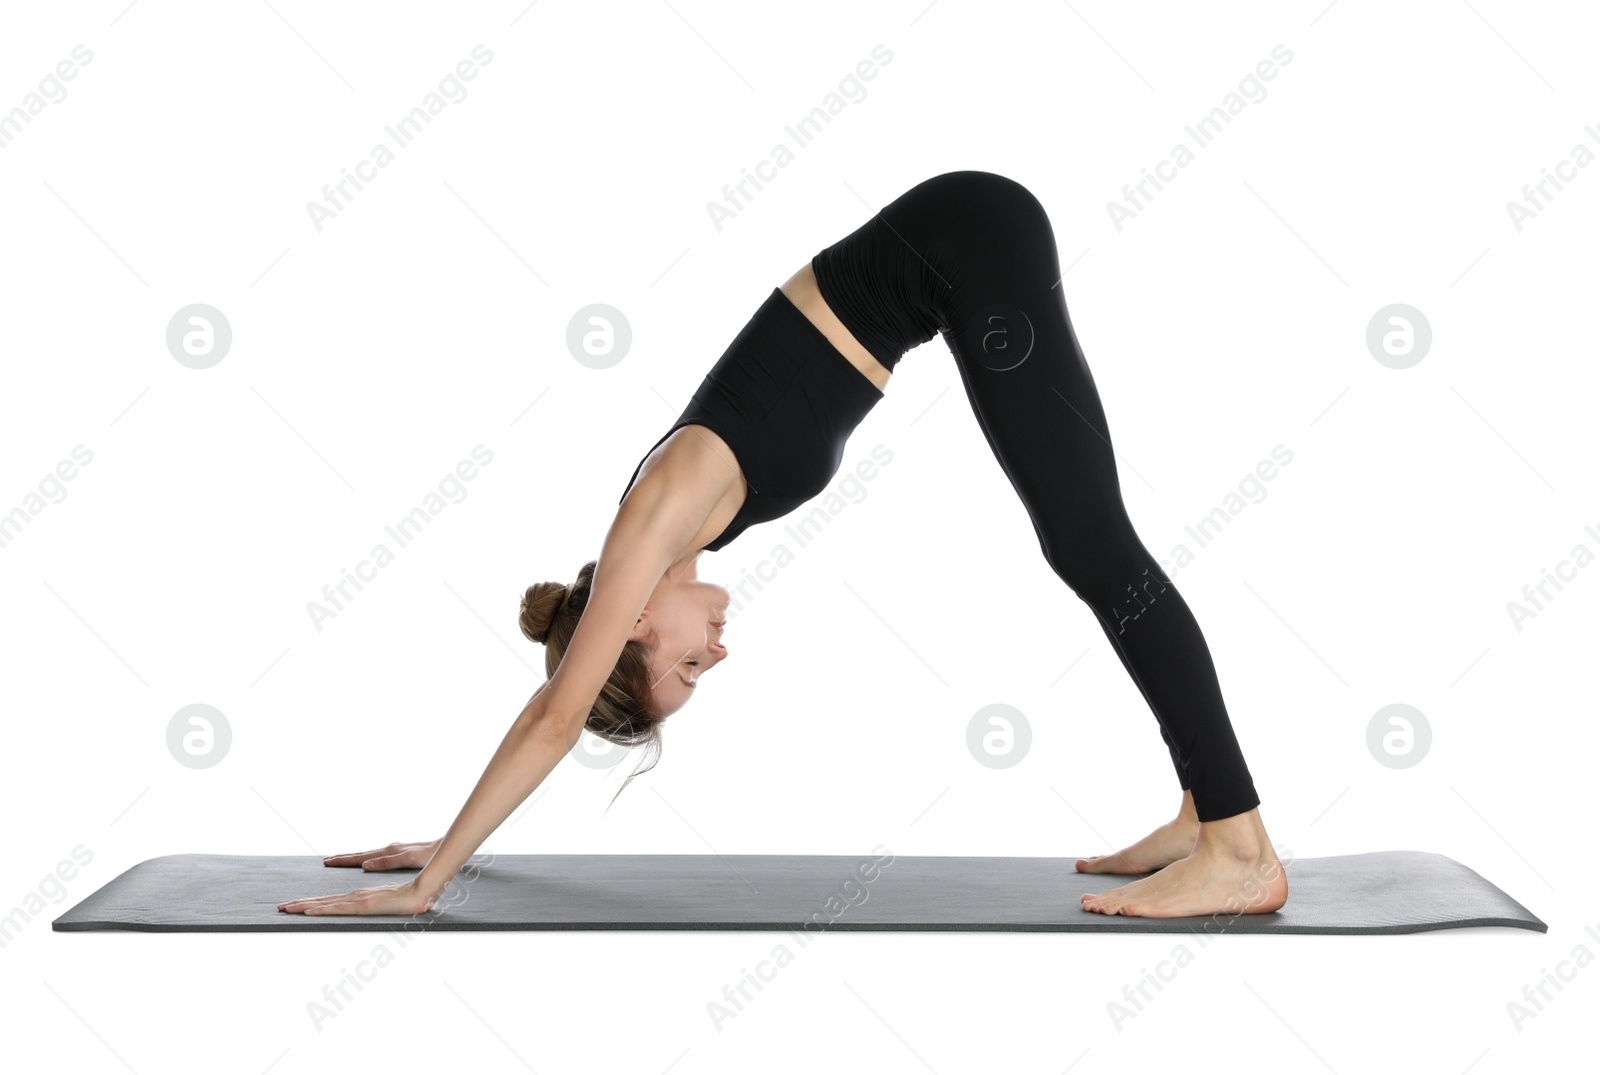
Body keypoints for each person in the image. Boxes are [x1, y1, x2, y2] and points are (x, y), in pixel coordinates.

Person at [279, 170, 1287, 921]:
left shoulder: (656, 515)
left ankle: (1239, 847)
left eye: (682, 663)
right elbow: (561, 703)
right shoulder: (677, 533)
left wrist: (434, 877)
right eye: (701, 673)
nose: (714, 653)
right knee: (1081, 540)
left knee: (1087, 540)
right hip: (955, 252)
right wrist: (455, 838)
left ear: (629, 621)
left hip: (965, 240)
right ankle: (1203, 811)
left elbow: (555, 712)